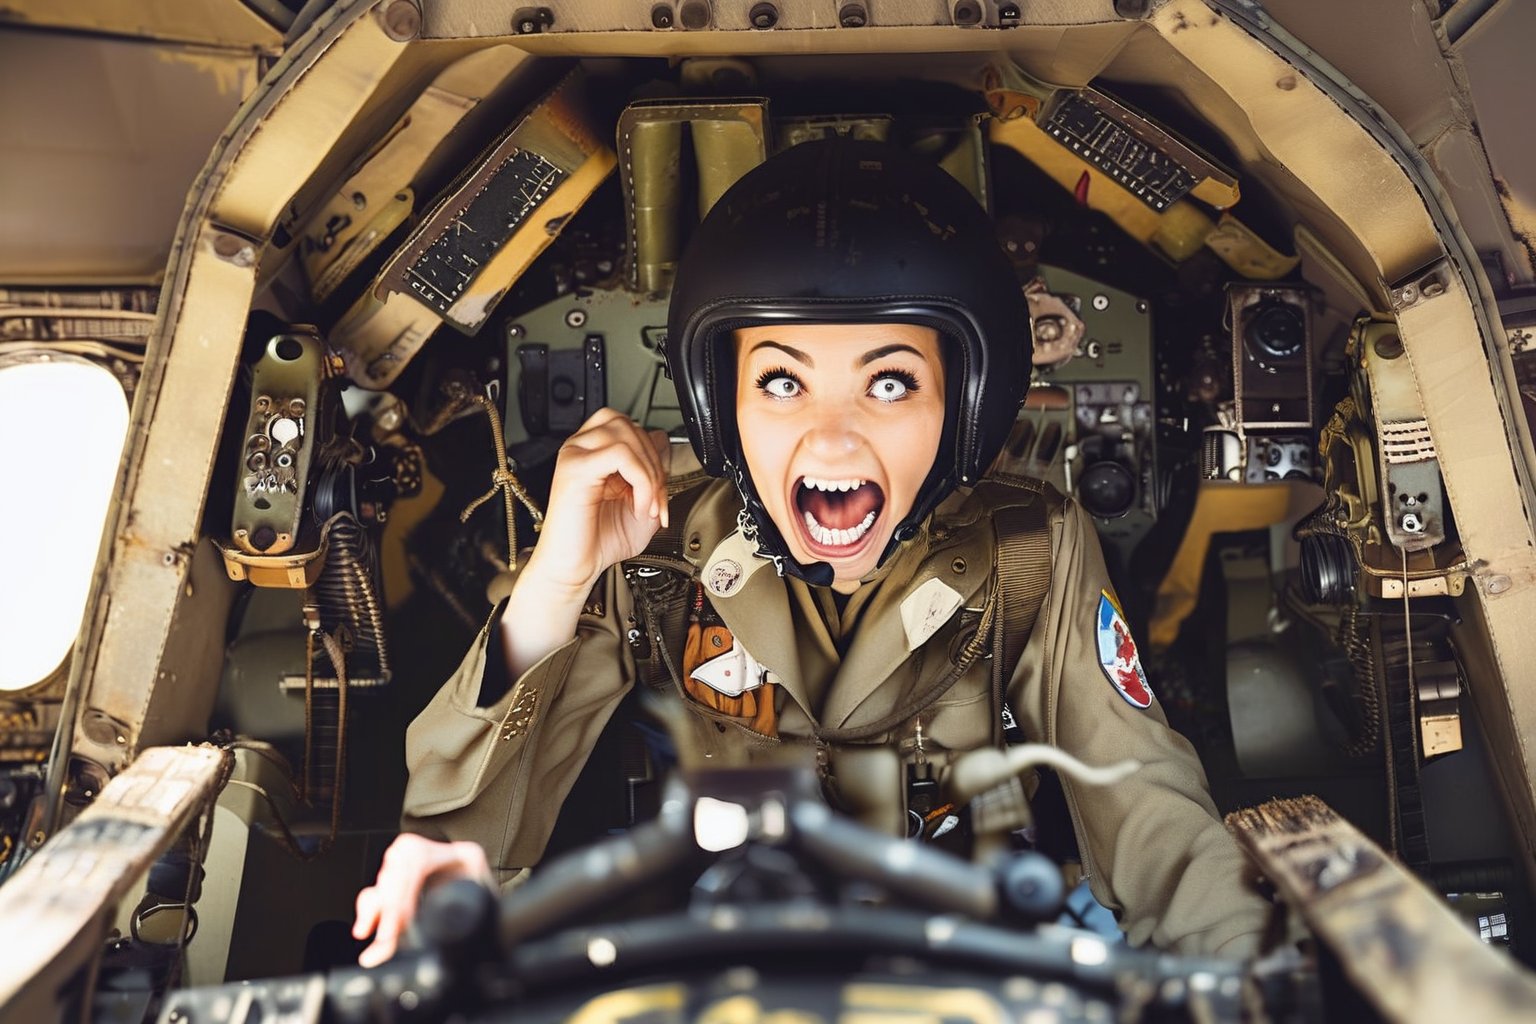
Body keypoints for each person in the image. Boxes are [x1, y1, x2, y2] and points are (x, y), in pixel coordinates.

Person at [352, 138, 1272, 966]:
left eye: (890, 381)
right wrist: (559, 575)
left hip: (967, 941)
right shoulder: (653, 539)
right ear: (723, 406)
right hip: (719, 938)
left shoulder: (1031, 546)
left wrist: (1249, 965)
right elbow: (460, 851)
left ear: (964, 405)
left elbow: (1146, 806)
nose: (831, 443)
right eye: (782, 381)